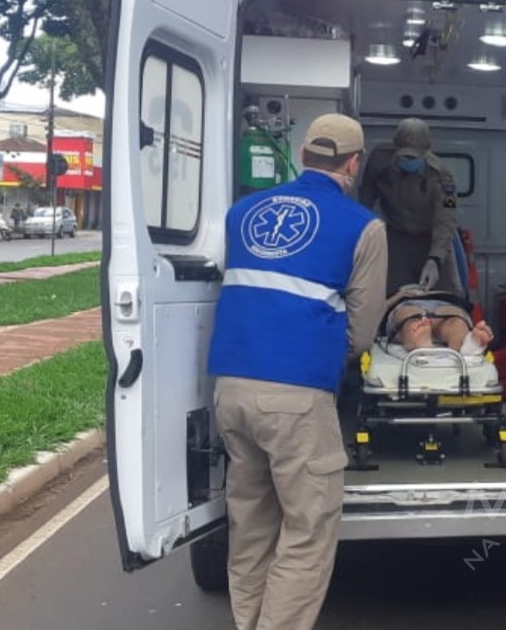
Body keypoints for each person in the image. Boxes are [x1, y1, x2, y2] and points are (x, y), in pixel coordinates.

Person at [207, 113, 387, 630]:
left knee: (251, 525)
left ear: (303, 153)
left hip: (231, 390)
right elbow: (361, 333)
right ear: (353, 164)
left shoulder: (241, 212)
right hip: (296, 397)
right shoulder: (363, 227)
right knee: (307, 531)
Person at [358, 117, 458, 296]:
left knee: (447, 295)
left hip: (431, 239)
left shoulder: (443, 176)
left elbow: (446, 220)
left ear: (426, 151)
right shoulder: (379, 161)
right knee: (389, 295)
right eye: (404, 155)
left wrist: (435, 259)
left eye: (414, 156)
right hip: (396, 238)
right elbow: (365, 199)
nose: (409, 160)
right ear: (395, 146)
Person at [386, 293, 493, 355]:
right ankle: (419, 343)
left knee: (456, 323)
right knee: (410, 321)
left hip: (446, 299)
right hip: (405, 300)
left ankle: (468, 344)